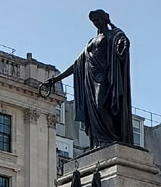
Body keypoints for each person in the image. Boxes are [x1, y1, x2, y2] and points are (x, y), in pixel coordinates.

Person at [39, 9, 133, 148]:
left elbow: (122, 45)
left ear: (104, 19)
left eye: (97, 20)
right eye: (93, 21)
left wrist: (122, 46)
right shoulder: (91, 41)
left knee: (101, 106)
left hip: (104, 77)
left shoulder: (114, 34)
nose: (96, 23)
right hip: (90, 80)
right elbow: (77, 64)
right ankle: (100, 141)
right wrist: (56, 79)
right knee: (93, 111)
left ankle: (111, 138)